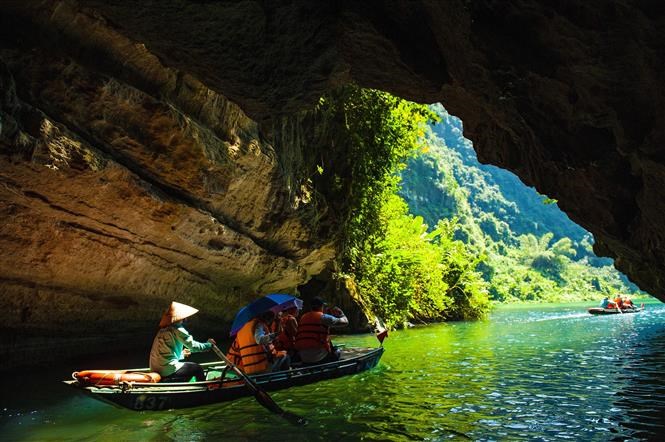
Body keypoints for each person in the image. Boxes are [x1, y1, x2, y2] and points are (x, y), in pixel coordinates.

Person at [149, 301, 216, 382]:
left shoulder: (162, 330)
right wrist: (209, 345)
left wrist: (182, 354)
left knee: (186, 368)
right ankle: (204, 388)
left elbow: (164, 353)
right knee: (197, 368)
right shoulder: (178, 329)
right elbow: (194, 346)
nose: (186, 319)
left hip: (154, 368)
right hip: (166, 369)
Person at [295, 296, 348, 365]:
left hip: (303, 357)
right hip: (319, 358)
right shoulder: (324, 317)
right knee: (337, 351)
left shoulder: (303, 317)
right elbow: (345, 322)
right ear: (322, 306)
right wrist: (341, 313)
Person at [236, 310, 290, 374]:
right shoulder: (258, 324)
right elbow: (259, 340)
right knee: (286, 355)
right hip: (261, 367)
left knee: (279, 355)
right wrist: (274, 335)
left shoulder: (241, 329)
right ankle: (282, 377)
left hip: (248, 369)